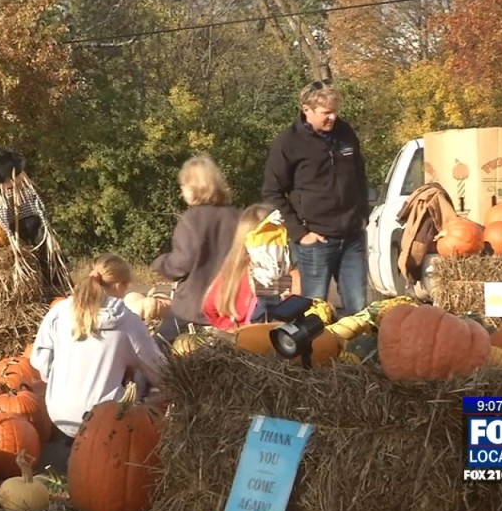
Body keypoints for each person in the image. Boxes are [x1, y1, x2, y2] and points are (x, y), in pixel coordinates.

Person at [29, 253, 167, 473]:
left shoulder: (59, 312)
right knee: (144, 384)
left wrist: (59, 378)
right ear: (121, 285)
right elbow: (159, 373)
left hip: (59, 413)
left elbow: (39, 360)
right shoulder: (128, 322)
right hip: (106, 421)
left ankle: (73, 449)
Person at [261, 82, 371, 316]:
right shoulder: (288, 143)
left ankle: (357, 351)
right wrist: (300, 233)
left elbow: (360, 174)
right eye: (325, 113)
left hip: (352, 236)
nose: (332, 117)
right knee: (314, 310)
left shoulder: (346, 133)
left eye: (335, 111)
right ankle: (317, 352)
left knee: (359, 306)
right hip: (315, 240)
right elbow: (272, 191)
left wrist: (364, 214)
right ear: (306, 109)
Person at [151, 155, 241, 341]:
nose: (182, 192)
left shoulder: (192, 220)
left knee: (157, 349)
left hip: (193, 306)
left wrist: (161, 263)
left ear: (194, 188)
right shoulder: (237, 217)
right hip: (228, 305)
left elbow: (181, 263)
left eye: (183, 187)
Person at [201, 203, 291, 331]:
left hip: (240, 338)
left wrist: (228, 327)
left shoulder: (232, 270)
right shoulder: (274, 271)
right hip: (266, 338)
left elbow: (208, 306)